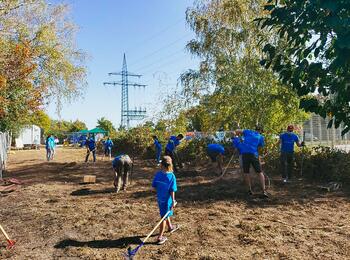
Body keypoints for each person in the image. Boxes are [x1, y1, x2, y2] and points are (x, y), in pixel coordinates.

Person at [232, 126, 268, 197]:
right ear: (261, 131)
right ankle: (264, 191)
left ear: (255, 129)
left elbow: (236, 130)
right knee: (259, 172)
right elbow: (260, 146)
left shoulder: (248, 131)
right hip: (253, 154)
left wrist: (235, 135)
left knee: (246, 172)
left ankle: (249, 190)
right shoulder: (260, 137)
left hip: (244, 153)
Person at [152, 156, 179, 245]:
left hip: (160, 199)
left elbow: (154, 185)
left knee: (165, 214)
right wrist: (173, 201)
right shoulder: (171, 176)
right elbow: (172, 190)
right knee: (164, 217)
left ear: (161, 165)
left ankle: (170, 227)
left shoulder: (158, 174)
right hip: (167, 201)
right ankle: (160, 237)